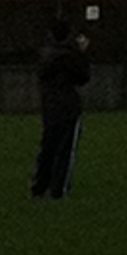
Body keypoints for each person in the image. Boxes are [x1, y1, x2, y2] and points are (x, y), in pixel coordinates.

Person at [30, 14, 91, 200]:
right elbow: (83, 77)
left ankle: (38, 187)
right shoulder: (70, 56)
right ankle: (58, 189)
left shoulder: (45, 56)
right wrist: (82, 53)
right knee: (65, 149)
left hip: (49, 105)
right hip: (68, 106)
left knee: (47, 146)